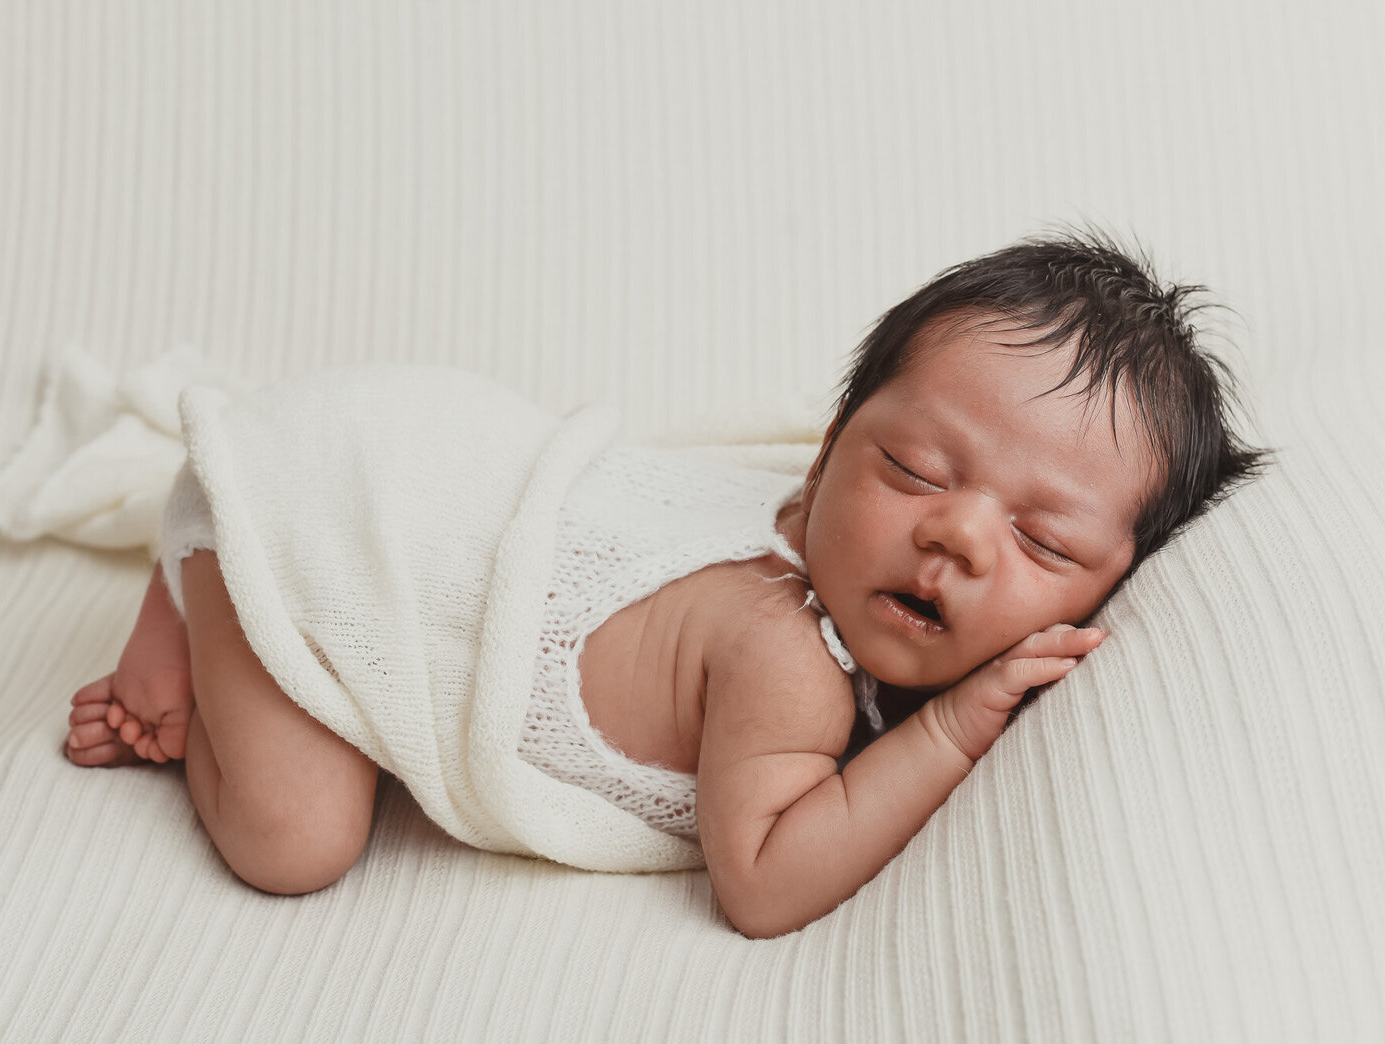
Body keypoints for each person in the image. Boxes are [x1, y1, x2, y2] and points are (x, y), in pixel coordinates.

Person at [63, 228, 1270, 938]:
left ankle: (222, 557)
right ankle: (212, 565)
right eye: (908, 466)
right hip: (356, 507)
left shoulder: (864, 555)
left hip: (403, 456)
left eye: (1045, 543)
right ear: (825, 454)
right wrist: (954, 723)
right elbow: (764, 878)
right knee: (294, 839)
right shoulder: (786, 654)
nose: (951, 535)